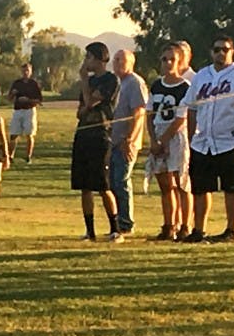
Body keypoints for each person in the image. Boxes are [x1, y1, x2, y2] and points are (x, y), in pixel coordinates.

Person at [183, 34, 234, 243]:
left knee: (232, 188)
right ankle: (199, 230)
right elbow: (191, 108)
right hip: (203, 142)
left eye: (225, 49)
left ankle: (231, 231)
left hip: (230, 141)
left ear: (232, 52)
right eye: (217, 49)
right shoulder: (201, 76)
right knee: (200, 188)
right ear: (211, 52)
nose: (220, 53)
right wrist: (191, 138)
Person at [71, 42, 122, 242]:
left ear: (99, 59)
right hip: (83, 134)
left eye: (88, 57)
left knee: (103, 185)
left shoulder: (110, 80)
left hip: (100, 134)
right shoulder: (89, 82)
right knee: (84, 186)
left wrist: (84, 81)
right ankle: (89, 231)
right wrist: (86, 97)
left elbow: (91, 102)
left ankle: (115, 228)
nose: (86, 62)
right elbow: (81, 110)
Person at [146, 43, 192, 241]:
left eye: (172, 59)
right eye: (164, 59)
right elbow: (149, 114)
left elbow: (181, 118)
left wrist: (163, 141)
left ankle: (185, 225)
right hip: (158, 133)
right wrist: (153, 140)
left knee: (181, 182)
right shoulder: (156, 85)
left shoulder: (185, 87)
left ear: (180, 61)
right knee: (165, 184)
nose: (168, 63)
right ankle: (168, 225)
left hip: (175, 136)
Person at [110, 50, 148, 234]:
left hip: (127, 142)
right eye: (115, 60)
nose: (116, 63)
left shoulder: (135, 83)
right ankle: (118, 220)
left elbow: (139, 113)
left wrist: (129, 139)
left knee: (121, 181)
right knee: (113, 182)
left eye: (121, 60)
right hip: (115, 141)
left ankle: (126, 223)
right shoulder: (121, 84)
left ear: (130, 63)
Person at [7, 62, 43, 163]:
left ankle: (28, 157)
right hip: (18, 110)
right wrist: (13, 95)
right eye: (24, 70)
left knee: (29, 134)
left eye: (27, 70)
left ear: (30, 72)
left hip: (29, 111)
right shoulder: (17, 83)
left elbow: (39, 101)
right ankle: (10, 156)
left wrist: (28, 100)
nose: (25, 72)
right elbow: (9, 98)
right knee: (13, 134)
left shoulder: (34, 84)